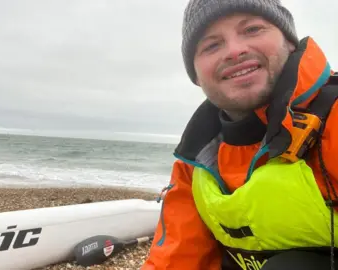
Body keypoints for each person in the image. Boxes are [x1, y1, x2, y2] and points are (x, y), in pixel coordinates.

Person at [141, 0, 338, 269]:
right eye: (212, 45)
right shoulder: (197, 160)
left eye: (253, 29)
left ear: (290, 42)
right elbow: (175, 259)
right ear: (196, 75)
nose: (234, 51)